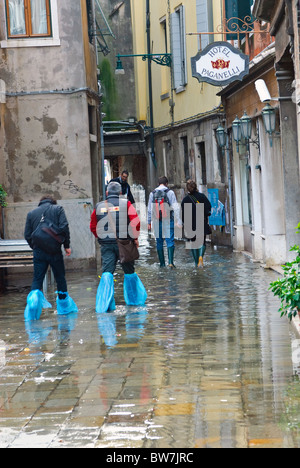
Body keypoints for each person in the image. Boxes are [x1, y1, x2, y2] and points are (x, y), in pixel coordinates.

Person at [90, 181, 147, 313]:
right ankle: (134, 302)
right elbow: (135, 222)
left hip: (106, 245)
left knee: (107, 272)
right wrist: (135, 238)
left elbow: (93, 226)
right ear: (121, 193)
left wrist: (102, 237)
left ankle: (104, 306)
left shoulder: (99, 206)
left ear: (107, 193)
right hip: (125, 244)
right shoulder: (126, 204)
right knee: (129, 272)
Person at [24, 195, 78, 321]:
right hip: (55, 250)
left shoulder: (31, 213)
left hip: (39, 251)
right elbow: (64, 227)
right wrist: (66, 245)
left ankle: (33, 300)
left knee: (37, 278)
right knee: (60, 278)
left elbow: (27, 234)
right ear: (53, 202)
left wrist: (35, 246)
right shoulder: (58, 209)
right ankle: (64, 309)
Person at [147, 176, 181, 268]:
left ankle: (162, 264)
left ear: (158, 184)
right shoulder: (170, 192)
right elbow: (175, 207)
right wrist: (178, 220)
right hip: (168, 219)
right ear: (167, 184)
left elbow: (150, 209)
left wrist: (149, 222)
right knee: (170, 241)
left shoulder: (152, 193)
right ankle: (170, 262)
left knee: (159, 242)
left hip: (156, 220)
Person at [181, 180, 212, 267]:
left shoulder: (185, 199)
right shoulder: (202, 197)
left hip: (190, 224)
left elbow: (183, 214)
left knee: (193, 243)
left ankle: (196, 262)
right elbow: (209, 207)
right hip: (201, 222)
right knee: (202, 242)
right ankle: (200, 257)